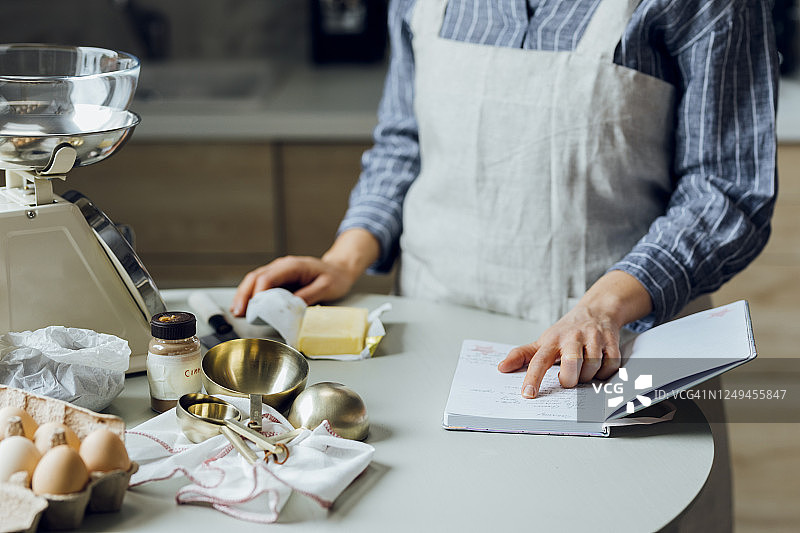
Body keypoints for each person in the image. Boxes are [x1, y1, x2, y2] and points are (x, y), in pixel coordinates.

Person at [233, 0, 777, 402]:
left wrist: (600, 309)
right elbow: (406, 141)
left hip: (611, 360)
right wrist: (343, 259)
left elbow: (726, 192)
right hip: (430, 342)